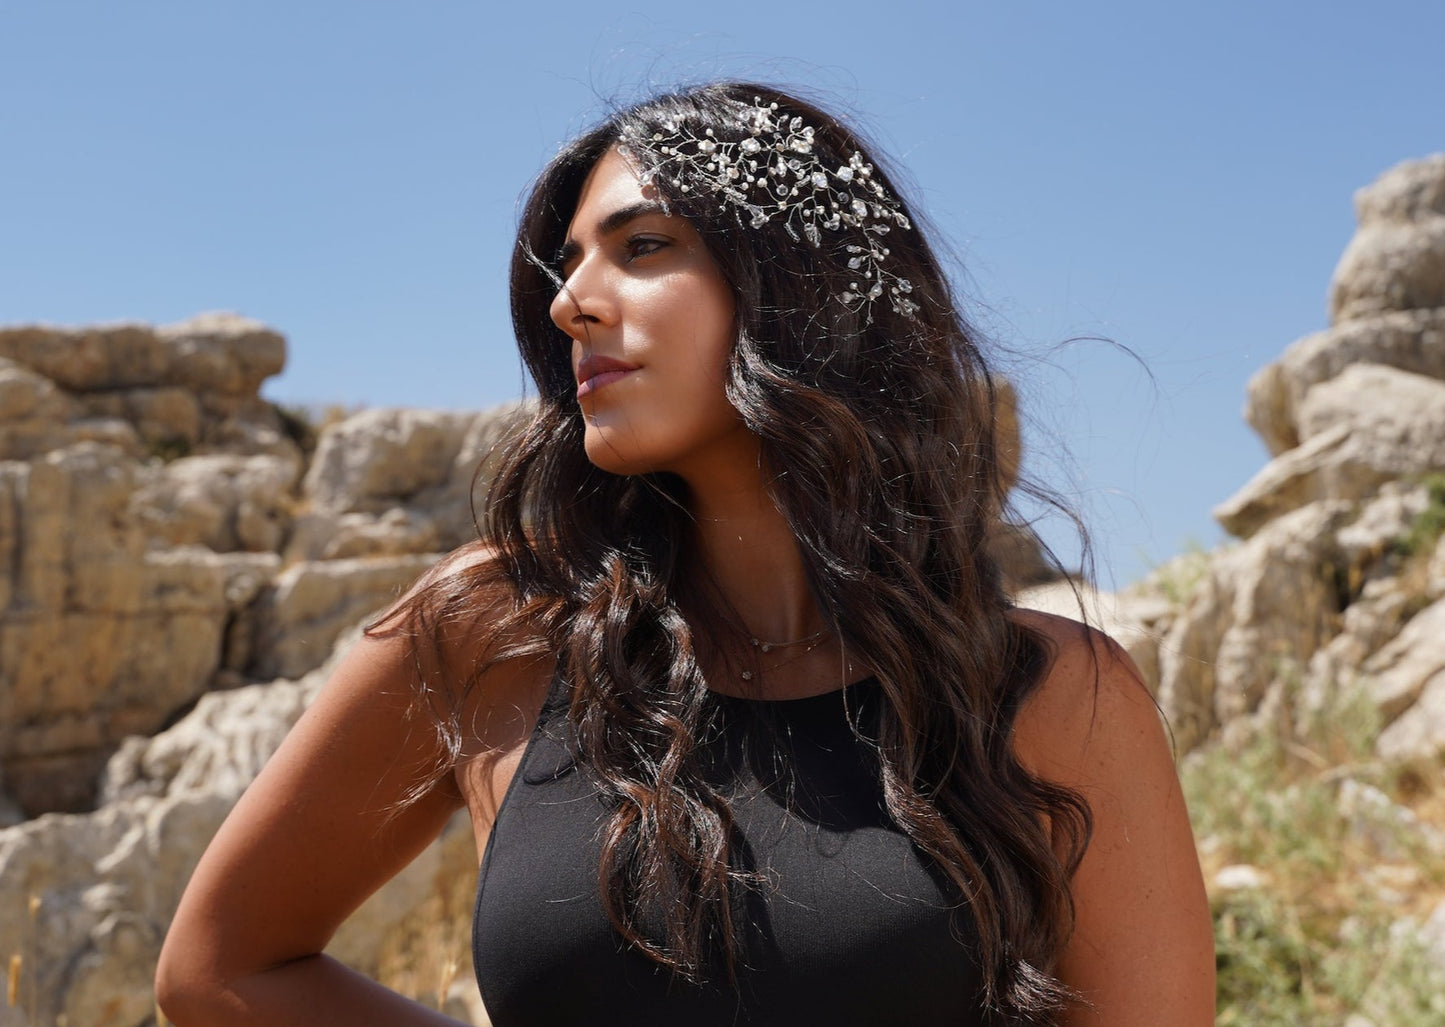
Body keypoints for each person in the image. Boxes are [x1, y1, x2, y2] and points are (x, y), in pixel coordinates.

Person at [155, 81, 1214, 1025]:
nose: (570, 300)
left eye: (643, 246)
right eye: (569, 263)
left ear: (801, 284)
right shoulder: (490, 632)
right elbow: (219, 969)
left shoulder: (1053, 695)